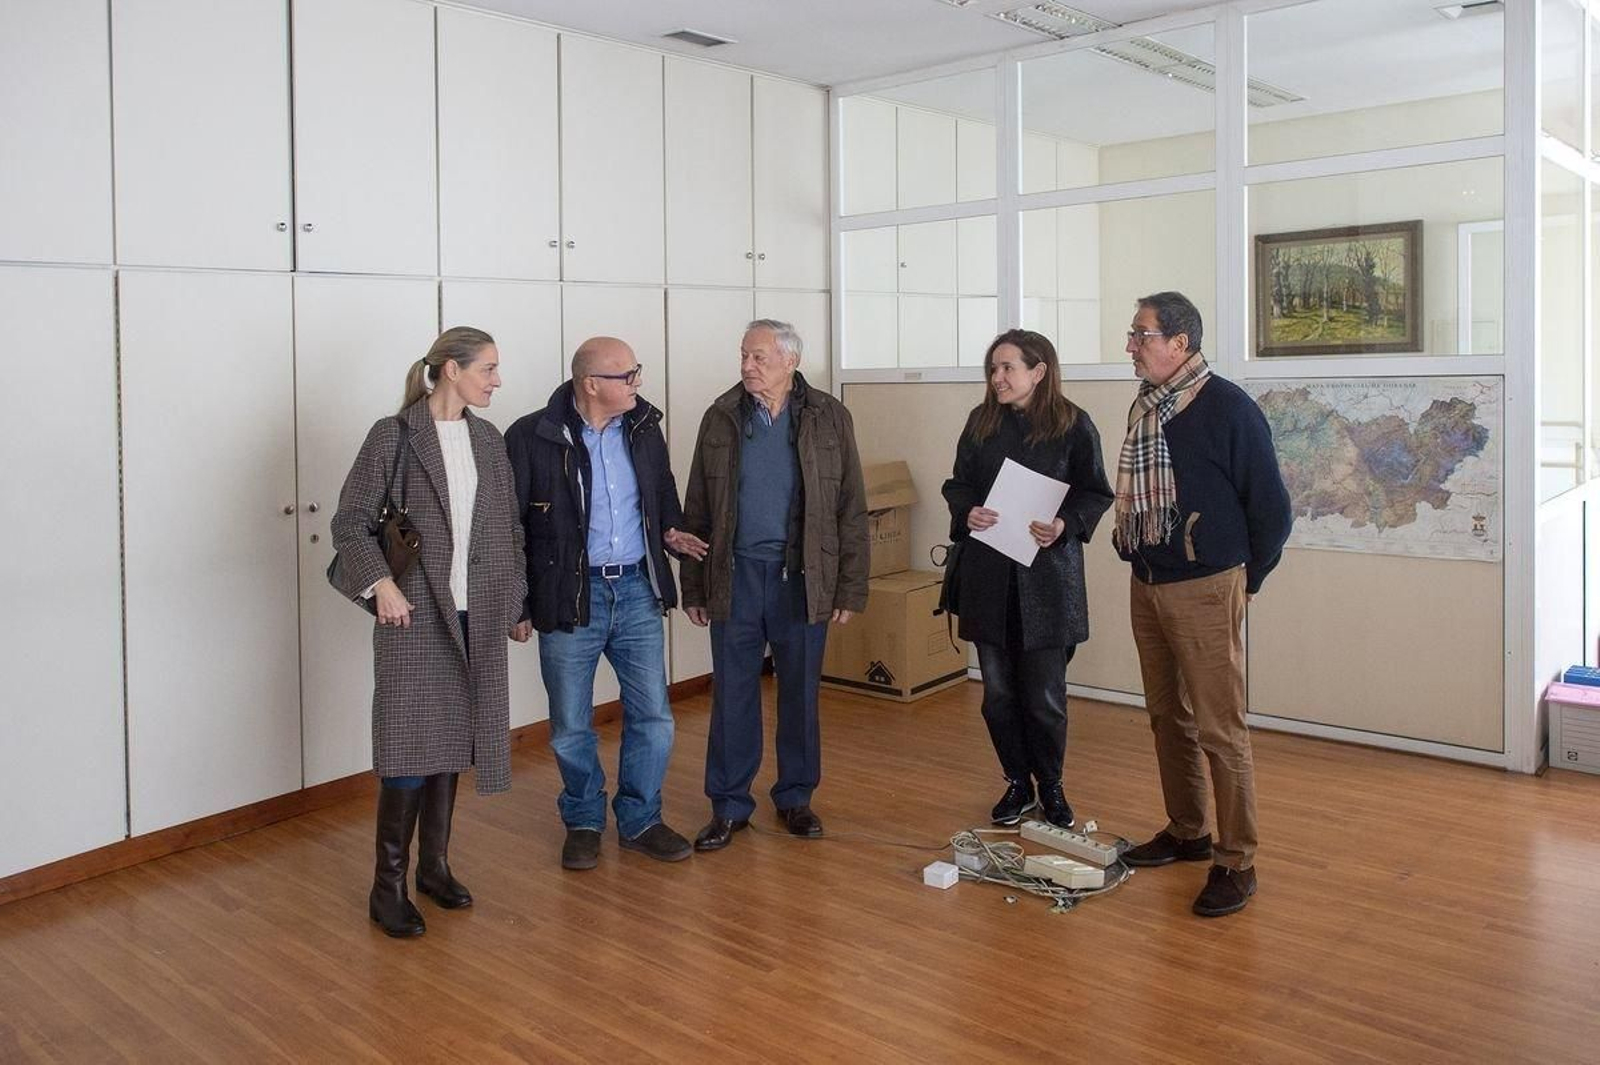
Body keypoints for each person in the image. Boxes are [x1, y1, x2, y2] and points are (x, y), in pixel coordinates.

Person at [329, 326, 529, 938]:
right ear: (449, 370)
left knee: (454, 741)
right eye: (487, 369)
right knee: (409, 746)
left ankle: (434, 868)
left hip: (481, 612)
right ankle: (386, 885)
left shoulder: (489, 440)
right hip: (414, 613)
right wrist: (380, 586)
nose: (497, 380)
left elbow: (509, 531)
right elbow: (349, 523)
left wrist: (517, 601)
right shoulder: (393, 436)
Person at [1112, 291, 1292, 918]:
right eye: (1133, 334)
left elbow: (1272, 511)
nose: (1131, 345)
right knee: (1167, 716)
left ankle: (1236, 860)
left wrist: (1246, 580)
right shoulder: (1148, 408)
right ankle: (1188, 831)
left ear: (1180, 344)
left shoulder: (1228, 409)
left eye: (1141, 334)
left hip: (1208, 586)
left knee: (1221, 730)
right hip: (1149, 582)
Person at [504, 337, 707, 871]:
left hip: (637, 588)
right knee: (571, 722)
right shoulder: (531, 436)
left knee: (654, 717)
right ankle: (584, 820)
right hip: (570, 592)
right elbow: (510, 528)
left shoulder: (643, 428)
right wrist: (518, 602)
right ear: (591, 384)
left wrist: (672, 532)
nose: (638, 383)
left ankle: (641, 819)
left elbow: (660, 492)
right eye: (628, 375)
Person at [680, 319, 869, 851]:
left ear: (791, 361)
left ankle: (795, 797)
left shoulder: (830, 416)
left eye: (758, 357)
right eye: (743, 355)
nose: (746, 366)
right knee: (733, 694)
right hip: (734, 577)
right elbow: (698, 505)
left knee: (800, 694)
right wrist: (694, 586)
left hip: (802, 577)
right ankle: (728, 804)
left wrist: (849, 587)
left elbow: (851, 507)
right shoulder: (720, 417)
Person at [942, 329, 1114, 831]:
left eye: (1008, 368)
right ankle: (1016, 781)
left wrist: (1065, 525)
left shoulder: (1073, 425)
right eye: (993, 369)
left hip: (1047, 582)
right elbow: (959, 483)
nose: (997, 378)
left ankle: (1052, 786)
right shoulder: (981, 422)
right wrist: (966, 510)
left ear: (1039, 372)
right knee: (998, 695)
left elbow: (1095, 493)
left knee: (1044, 697)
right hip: (989, 578)